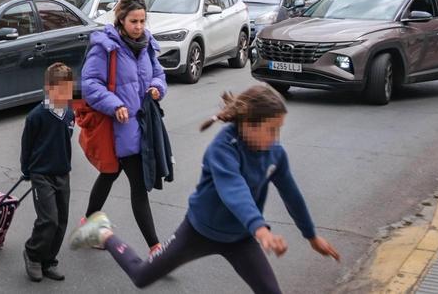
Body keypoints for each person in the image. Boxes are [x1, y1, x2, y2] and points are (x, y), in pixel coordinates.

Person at [69, 85, 341, 294]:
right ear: (248, 124)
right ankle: (102, 231)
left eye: (278, 130)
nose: (276, 138)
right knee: (141, 276)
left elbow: (291, 193)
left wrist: (311, 235)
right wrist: (261, 229)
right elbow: (233, 190)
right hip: (198, 231)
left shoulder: (275, 153)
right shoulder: (222, 148)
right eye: (271, 130)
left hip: (240, 238)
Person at [79, 0, 167, 253]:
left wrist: (157, 87)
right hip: (118, 127)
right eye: (133, 21)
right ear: (121, 20)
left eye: (142, 21)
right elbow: (89, 84)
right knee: (138, 186)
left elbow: (159, 73)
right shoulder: (105, 47)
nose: (139, 27)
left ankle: (88, 225)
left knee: (109, 173)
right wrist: (115, 104)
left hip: (143, 124)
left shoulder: (147, 44)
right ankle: (155, 247)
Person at [21, 63, 76, 283]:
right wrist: (27, 169)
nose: (63, 94)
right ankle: (33, 254)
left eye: (67, 89)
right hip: (41, 174)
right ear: (48, 89)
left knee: (61, 220)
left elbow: (66, 140)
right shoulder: (36, 116)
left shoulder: (69, 114)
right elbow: (27, 145)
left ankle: (48, 260)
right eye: (58, 90)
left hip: (62, 173)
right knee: (49, 219)